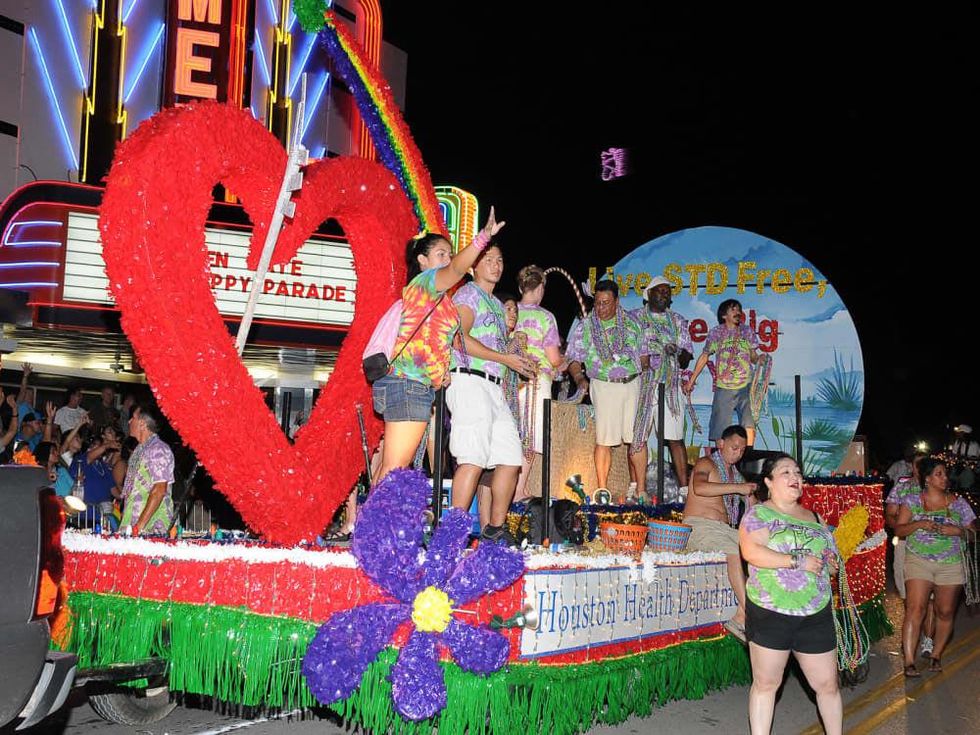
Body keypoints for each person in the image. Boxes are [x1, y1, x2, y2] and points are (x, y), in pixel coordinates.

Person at [739, 453, 841, 735]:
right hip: (771, 610)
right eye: (786, 472)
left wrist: (829, 565)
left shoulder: (816, 518)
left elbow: (828, 558)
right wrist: (797, 561)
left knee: (828, 686)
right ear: (769, 482)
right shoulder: (759, 514)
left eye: (797, 472)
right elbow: (751, 552)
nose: (795, 477)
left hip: (814, 611)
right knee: (767, 684)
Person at [447, 243, 536, 544]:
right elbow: (459, 339)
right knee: (472, 457)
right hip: (469, 381)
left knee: (511, 457)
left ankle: (494, 530)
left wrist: (519, 362)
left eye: (500, 260)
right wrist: (504, 359)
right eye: (488, 260)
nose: (496, 265)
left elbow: (499, 351)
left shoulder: (498, 306)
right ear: (474, 265)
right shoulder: (467, 294)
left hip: (494, 386)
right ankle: (453, 533)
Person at [566, 280, 650, 499]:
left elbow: (645, 356)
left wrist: (644, 373)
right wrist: (578, 378)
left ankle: (641, 489)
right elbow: (573, 359)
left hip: (631, 384)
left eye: (606, 303)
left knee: (637, 438)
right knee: (604, 439)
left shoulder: (633, 323)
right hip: (603, 385)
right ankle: (602, 491)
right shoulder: (586, 326)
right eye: (597, 303)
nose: (601, 308)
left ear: (617, 302)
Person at [893, 457, 977, 676]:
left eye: (945, 474)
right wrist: (919, 524)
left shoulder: (959, 503)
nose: (945, 478)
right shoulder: (912, 501)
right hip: (918, 560)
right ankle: (909, 661)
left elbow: (974, 534)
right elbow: (899, 530)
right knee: (915, 608)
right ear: (927, 479)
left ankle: (936, 655)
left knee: (945, 611)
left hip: (951, 564)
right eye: (939, 474)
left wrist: (957, 531)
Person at [683, 424, 756, 640]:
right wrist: (737, 488)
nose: (738, 453)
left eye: (742, 450)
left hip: (723, 530)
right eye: (734, 447)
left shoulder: (734, 474)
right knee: (734, 549)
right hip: (700, 526)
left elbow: (754, 502)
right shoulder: (706, 463)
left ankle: (740, 616)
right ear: (721, 443)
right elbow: (700, 488)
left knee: (756, 550)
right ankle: (752, 616)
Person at [633, 276, 694, 491]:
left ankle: (685, 490)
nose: (665, 294)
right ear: (648, 294)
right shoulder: (634, 319)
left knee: (675, 438)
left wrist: (676, 350)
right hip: (642, 387)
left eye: (668, 292)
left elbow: (686, 358)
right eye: (660, 291)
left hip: (670, 387)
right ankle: (636, 486)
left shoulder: (677, 320)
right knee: (637, 437)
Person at [513, 266, 564, 500]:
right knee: (530, 437)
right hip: (535, 382)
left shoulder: (509, 310)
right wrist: (565, 362)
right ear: (541, 287)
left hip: (512, 380)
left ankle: (508, 487)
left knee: (513, 433)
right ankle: (518, 490)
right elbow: (553, 358)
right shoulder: (546, 317)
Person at [684, 299, 760, 448]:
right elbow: (705, 356)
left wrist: (759, 358)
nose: (738, 313)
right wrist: (691, 381)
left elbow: (753, 356)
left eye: (739, 309)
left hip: (746, 385)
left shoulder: (746, 331)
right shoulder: (716, 333)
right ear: (724, 315)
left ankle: (748, 455)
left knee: (748, 423)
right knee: (720, 427)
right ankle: (721, 461)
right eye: (733, 310)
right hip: (724, 386)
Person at [119, 404, 175, 536]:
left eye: (133, 418)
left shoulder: (158, 450)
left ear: (142, 424)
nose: (129, 421)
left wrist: (138, 527)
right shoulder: (140, 449)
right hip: (134, 522)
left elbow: (159, 489)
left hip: (151, 526)